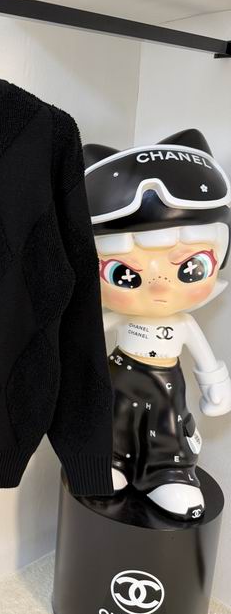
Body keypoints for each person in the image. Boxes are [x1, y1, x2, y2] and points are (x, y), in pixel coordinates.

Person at [83, 129, 231, 519]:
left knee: (166, 428)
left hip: (165, 384)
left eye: (189, 267)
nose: (158, 286)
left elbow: (204, 358)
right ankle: (110, 462)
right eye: (124, 274)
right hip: (119, 376)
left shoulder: (183, 323)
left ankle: (168, 473)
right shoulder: (117, 317)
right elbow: (85, 340)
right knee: (113, 423)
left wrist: (215, 384)